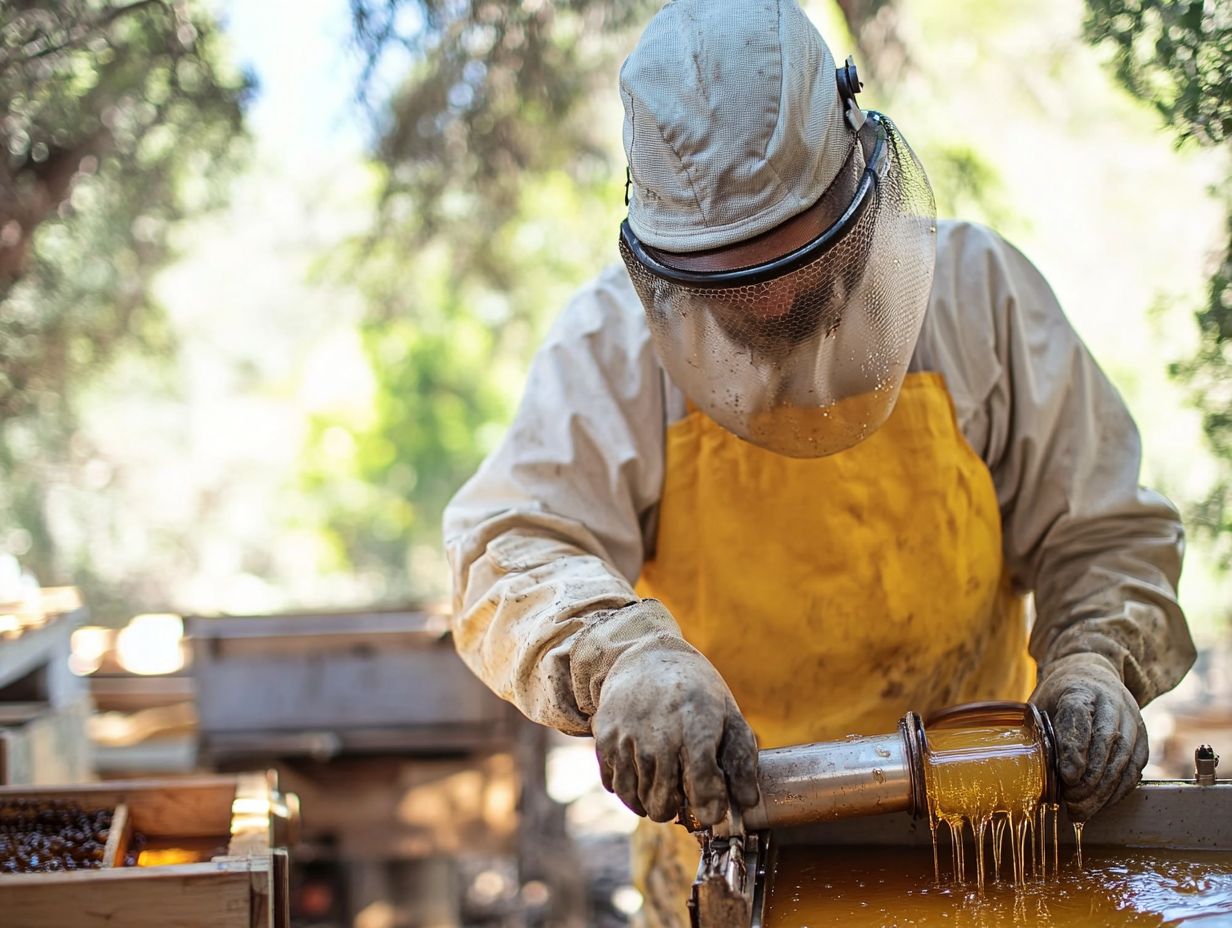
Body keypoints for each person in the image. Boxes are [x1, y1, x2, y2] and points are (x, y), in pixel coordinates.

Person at [443, 1, 1196, 924]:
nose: (777, 304)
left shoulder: (976, 298)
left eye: (803, 254)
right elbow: (508, 545)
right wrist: (617, 656)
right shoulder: (609, 350)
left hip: (989, 840)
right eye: (733, 283)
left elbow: (1105, 528)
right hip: (727, 864)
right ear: (663, 260)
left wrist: (1095, 659)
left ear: (860, 175)